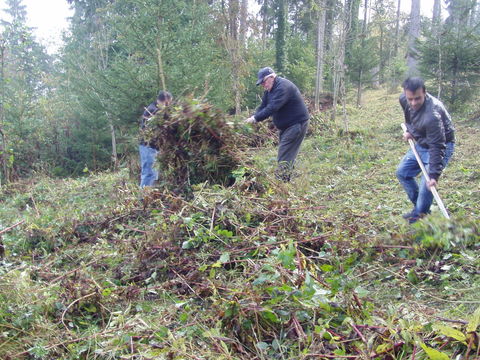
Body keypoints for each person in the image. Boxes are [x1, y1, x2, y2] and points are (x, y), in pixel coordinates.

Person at [396, 77, 455, 223]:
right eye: (410, 99)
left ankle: (418, 218)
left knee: (425, 187)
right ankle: (421, 209)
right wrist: (410, 130)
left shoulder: (432, 115)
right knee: (402, 173)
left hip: (440, 145)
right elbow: (410, 118)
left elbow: (437, 146)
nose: (413, 103)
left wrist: (433, 175)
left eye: (418, 98)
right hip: (422, 142)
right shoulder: (404, 99)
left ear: (425, 93)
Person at [245, 67, 309, 181]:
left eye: (263, 82)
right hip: (286, 126)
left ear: (271, 77)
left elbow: (272, 108)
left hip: (296, 124)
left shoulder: (283, 87)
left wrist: (255, 118)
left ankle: (281, 183)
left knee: (284, 154)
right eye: (261, 83)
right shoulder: (269, 90)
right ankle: (286, 179)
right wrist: (253, 117)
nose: (263, 85)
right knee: (286, 154)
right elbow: (263, 106)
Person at [139, 90, 172, 187]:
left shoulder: (155, 108)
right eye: (168, 103)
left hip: (152, 146)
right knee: (149, 173)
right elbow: (161, 118)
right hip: (148, 145)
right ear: (165, 101)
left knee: (153, 173)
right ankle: (143, 198)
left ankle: (148, 196)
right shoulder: (153, 110)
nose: (169, 105)